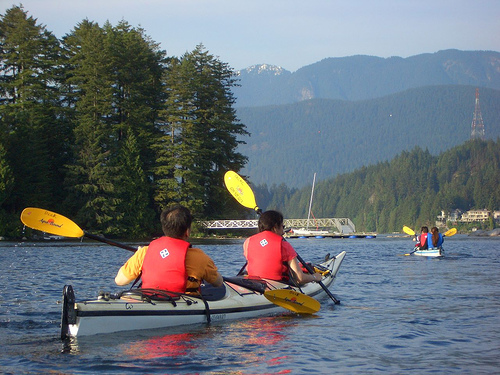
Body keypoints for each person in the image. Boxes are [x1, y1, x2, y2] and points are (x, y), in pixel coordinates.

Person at [115, 204, 223, 294]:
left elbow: (119, 281)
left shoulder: (144, 252)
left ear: (164, 227)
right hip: (185, 303)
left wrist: (136, 256)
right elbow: (218, 283)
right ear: (187, 231)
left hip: (151, 299)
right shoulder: (200, 257)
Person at [243, 210, 322, 284]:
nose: (283, 232)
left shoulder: (248, 242)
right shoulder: (284, 245)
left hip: (253, 284)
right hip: (278, 285)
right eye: (282, 227)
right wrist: (314, 277)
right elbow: (300, 278)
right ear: (275, 227)